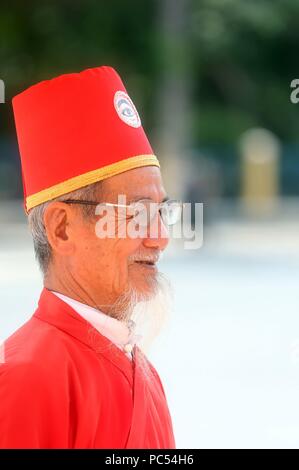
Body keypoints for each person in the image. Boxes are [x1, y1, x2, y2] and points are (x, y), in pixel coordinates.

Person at [0, 66, 177, 448]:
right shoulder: (23, 380)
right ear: (62, 228)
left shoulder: (142, 371)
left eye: (161, 212)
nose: (160, 238)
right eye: (136, 214)